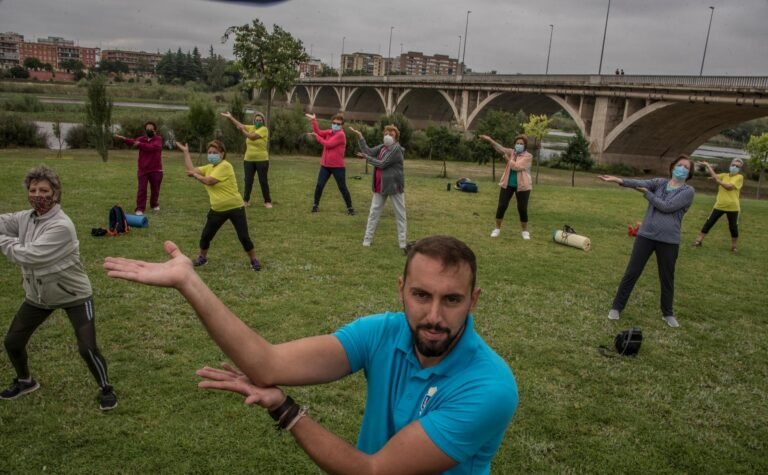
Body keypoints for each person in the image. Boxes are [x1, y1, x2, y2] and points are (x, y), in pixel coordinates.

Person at [103, 235, 518, 474]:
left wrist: (287, 411)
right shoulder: (382, 332)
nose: (433, 316)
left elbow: (373, 471)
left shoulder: (489, 387)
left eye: (452, 300)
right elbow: (267, 364)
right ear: (401, 290)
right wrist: (189, 283)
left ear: (474, 301)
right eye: (421, 295)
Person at [0, 165, 117, 410]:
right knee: (12, 342)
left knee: (87, 348)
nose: (38, 195)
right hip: (39, 296)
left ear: (56, 193)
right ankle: (25, 381)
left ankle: (105, 387)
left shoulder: (62, 226)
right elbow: (3, 222)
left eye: (44, 190)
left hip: (73, 294)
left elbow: (29, 255)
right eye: (33, 190)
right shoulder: (25, 218)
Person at [599, 155, 696, 328]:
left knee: (666, 277)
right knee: (632, 272)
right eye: (679, 165)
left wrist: (647, 194)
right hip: (646, 236)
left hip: (669, 240)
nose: (682, 168)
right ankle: (616, 307)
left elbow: (666, 206)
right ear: (673, 166)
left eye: (686, 167)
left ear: (689, 173)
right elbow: (640, 182)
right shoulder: (659, 183)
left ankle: (668, 313)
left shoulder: (687, 191)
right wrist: (618, 180)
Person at [176, 140, 261, 271]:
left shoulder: (225, 166)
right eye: (209, 153)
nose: (211, 155)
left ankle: (254, 260)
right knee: (206, 236)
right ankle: (202, 258)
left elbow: (210, 181)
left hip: (235, 207)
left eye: (215, 153)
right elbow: (190, 170)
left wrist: (196, 176)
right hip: (217, 209)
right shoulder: (209, 167)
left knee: (244, 237)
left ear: (222, 154)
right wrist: (186, 152)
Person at [349, 124, 407, 251]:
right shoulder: (382, 147)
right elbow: (368, 152)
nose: (387, 137)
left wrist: (367, 158)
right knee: (373, 212)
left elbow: (382, 164)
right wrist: (361, 138)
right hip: (379, 185)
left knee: (400, 214)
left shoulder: (396, 149)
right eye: (386, 134)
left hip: (394, 186)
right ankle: (367, 240)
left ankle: (402, 243)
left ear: (396, 137)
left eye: (391, 135)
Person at [479, 134, 534, 240]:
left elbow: (516, 167)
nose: (519, 145)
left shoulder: (528, 156)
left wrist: (507, 159)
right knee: (502, 206)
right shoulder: (512, 152)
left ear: (525, 145)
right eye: (517, 143)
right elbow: (500, 149)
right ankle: (497, 229)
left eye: (521, 144)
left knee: (522, 209)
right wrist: (490, 140)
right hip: (507, 184)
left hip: (523, 186)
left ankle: (525, 231)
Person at [305, 113, 355, 215]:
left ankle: (350, 208)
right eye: (334, 123)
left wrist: (317, 137)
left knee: (342, 187)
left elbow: (328, 144)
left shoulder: (341, 135)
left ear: (342, 125)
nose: (336, 125)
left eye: (338, 124)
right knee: (319, 185)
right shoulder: (329, 132)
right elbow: (318, 131)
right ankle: (315, 205)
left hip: (338, 167)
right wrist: (314, 120)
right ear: (331, 123)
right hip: (325, 165)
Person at [221, 111, 272, 209]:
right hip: (248, 159)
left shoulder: (264, 129)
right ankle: (246, 200)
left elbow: (252, 137)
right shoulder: (251, 128)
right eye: (256, 120)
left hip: (262, 160)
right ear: (254, 121)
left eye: (260, 120)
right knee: (248, 181)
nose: (258, 122)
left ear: (263, 121)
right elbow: (240, 125)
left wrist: (242, 131)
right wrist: (230, 117)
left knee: (263, 181)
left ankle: (267, 201)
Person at [693, 159, 744, 252]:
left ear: (740, 169)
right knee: (709, 223)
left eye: (737, 166)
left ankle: (734, 246)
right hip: (719, 205)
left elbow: (729, 187)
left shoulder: (739, 177)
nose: (735, 167)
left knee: (733, 227)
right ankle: (698, 241)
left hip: (733, 207)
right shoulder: (724, 175)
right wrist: (708, 165)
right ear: (730, 165)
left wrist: (718, 181)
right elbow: (714, 176)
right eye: (733, 165)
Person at [114, 121, 164, 216]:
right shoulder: (142, 139)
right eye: (147, 128)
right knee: (142, 189)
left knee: (155, 189)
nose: (148, 130)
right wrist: (124, 139)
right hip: (143, 169)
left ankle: (154, 204)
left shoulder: (158, 139)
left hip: (156, 170)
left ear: (155, 130)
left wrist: (139, 144)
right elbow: (132, 142)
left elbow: (152, 147)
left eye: (150, 128)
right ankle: (140, 208)